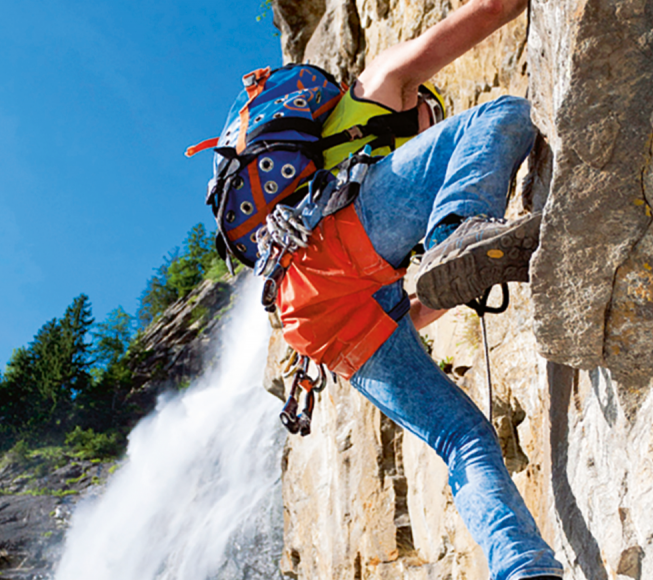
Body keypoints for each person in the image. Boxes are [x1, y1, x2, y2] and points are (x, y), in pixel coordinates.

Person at [220, 0, 564, 577]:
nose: (433, 135)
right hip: (336, 242)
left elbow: (411, 308)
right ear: (423, 107)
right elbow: (491, 10)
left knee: (463, 438)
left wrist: (445, 288)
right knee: (501, 114)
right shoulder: (381, 85)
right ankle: (457, 227)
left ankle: (525, 569)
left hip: (316, 319)